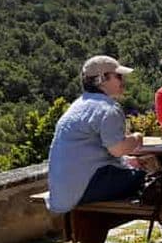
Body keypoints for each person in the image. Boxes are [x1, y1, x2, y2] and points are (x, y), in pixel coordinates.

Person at [46, 55, 145, 214]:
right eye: (118, 76)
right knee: (148, 178)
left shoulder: (78, 105)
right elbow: (118, 149)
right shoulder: (107, 108)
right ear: (102, 79)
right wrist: (137, 138)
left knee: (133, 172)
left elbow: (91, 151)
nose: (123, 80)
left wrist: (124, 161)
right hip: (85, 189)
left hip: (62, 192)